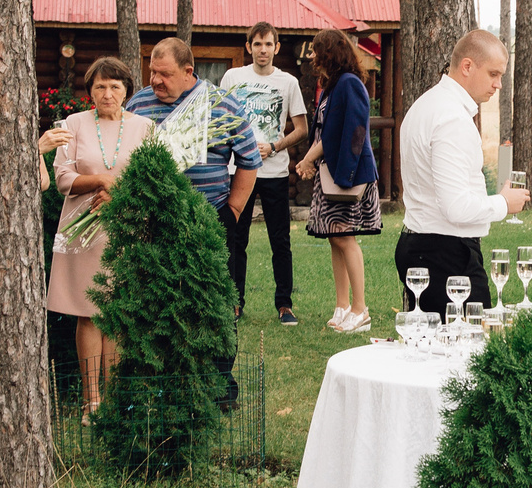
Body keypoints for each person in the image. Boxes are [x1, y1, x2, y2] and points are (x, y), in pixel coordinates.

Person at [397, 29, 528, 317]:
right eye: (493, 74)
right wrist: (504, 203)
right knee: (470, 341)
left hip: (423, 244)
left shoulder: (426, 104)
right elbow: (455, 207)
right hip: (445, 253)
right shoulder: (451, 118)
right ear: (467, 66)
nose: (499, 85)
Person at [40, 55, 142, 408]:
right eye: (100, 87)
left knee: (115, 314)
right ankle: (91, 400)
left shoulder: (145, 128)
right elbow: (63, 178)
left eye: (114, 86)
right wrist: (101, 180)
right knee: (89, 313)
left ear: (126, 90)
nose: (107, 94)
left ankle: (112, 401)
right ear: (90, 91)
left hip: (125, 227)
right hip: (83, 230)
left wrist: (118, 193)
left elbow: (149, 178)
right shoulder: (74, 124)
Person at [296, 27, 380, 331]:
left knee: (345, 236)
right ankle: (343, 305)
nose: (312, 56)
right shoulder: (333, 85)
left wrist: (344, 173)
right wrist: (309, 159)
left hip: (348, 173)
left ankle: (361, 310)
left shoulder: (349, 83)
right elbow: (327, 133)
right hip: (332, 171)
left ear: (330, 53)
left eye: (316, 50)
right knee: (334, 237)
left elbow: (356, 130)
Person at [225, 22, 310, 324]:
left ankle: (284, 305)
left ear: (277, 47)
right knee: (236, 239)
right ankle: (234, 303)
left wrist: (274, 146)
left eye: (268, 44)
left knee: (280, 240)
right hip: (239, 170)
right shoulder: (233, 77)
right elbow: (222, 120)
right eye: (257, 44)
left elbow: (302, 129)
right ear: (248, 47)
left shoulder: (288, 82)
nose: (263, 50)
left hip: (274, 171)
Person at [126, 37, 261, 224]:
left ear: (187, 72)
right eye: (153, 71)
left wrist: (233, 211)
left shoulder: (223, 104)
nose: (155, 80)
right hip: (152, 218)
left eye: (165, 74)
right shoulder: (138, 103)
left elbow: (249, 158)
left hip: (210, 216)